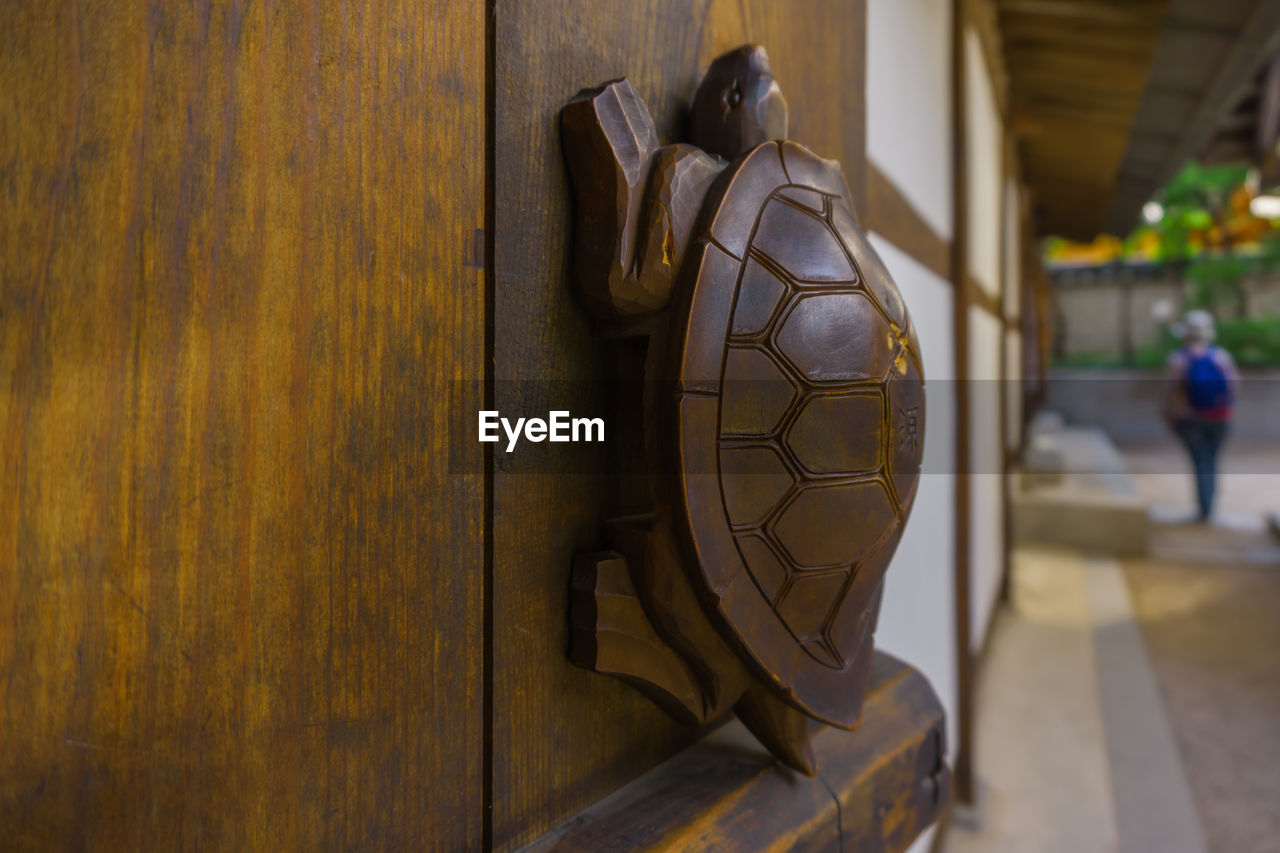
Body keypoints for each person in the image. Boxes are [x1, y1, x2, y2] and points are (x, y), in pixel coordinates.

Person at [1164, 310, 1238, 521]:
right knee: (1212, 461)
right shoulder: (1221, 356)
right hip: (1220, 417)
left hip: (1192, 419)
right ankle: (1209, 505)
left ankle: (1204, 508)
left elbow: (1171, 392)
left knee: (1200, 462)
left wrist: (1169, 413)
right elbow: (1234, 386)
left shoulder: (1179, 359)